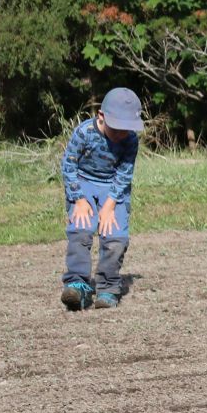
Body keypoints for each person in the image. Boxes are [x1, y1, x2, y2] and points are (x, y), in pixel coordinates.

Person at [59, 87, 144, 312]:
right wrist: (78, 199)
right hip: (82, 183)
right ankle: (78, 285)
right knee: (81, 229)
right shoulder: (84, 132)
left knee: (115, 236)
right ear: (101, 117)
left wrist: (109, 206)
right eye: (116, 129)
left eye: (127, 129)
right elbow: (68, 165)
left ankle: (108, 287)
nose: (121, 135)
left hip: (114, 187)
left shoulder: (131, 140)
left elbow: (125, 172)